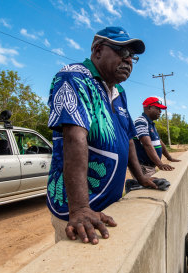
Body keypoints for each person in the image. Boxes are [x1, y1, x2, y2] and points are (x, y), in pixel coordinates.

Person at [46, 26, 157, 245]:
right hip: (79, 210)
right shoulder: (74, 77)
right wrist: (79, 209)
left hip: (108, 205)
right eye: (122, 52)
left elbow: (129, 140)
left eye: (132, 57)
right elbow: (74, 138)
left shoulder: (120, 92)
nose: (129, 61)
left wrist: (141, 177)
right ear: (98, 51)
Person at [133, 97, 181, 177]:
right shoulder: (141, 121)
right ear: (149, 108)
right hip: (143, 167)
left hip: (149, 166)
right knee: (151, 188)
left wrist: (169, 158)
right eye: (158, 108)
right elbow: (147, 144)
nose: (160, 111)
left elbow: (160, 142)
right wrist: (160, 164)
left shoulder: (151, 124)